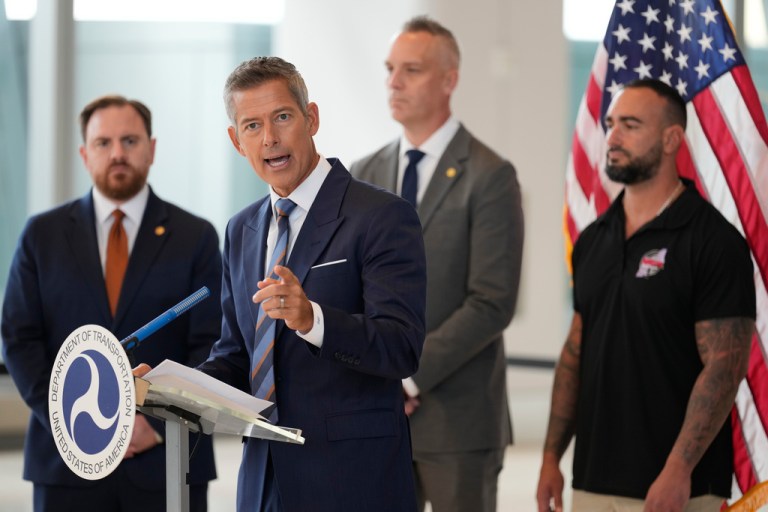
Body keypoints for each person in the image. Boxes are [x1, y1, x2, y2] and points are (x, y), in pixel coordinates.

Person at [136, 56, 427, 511]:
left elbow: (402, 347)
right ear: (236, 140)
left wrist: (312, 319)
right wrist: (168, 388)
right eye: (252, 126)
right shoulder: (241, 229)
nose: (269, 138)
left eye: (283, 117)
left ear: (311, 119)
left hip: (353, 481)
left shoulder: (381, 216)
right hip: (263, 479)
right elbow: (235, 358)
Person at [535, 79, 756, 512]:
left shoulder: (713, 241)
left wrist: (678, 470)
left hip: (677, 488)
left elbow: (723, 370)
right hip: (593, 479)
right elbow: (575, 353)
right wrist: (549, 456)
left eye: (630, 125)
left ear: (672, 139)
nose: (612, 137)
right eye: (611, 123)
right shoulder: (593, 240)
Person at [1, 95, 222, 512]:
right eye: (103, 143)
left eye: (130, 140)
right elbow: (18, 340)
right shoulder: (41, 236)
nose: (117, 153)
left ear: (151, 149)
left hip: (168, 463)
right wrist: (76, 427)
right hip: (65, 464)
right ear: (85, 154)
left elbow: (212, 345)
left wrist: (157, 424)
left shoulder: (196, 237)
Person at [350, 16, 524, 512]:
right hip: (375, 418)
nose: (393, 82)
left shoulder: (490, 175)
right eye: (389, 69)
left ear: (449, 80)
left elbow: (491, 301)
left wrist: (405, 374)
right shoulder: (365, 172)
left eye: (411, 70)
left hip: (457, 424)